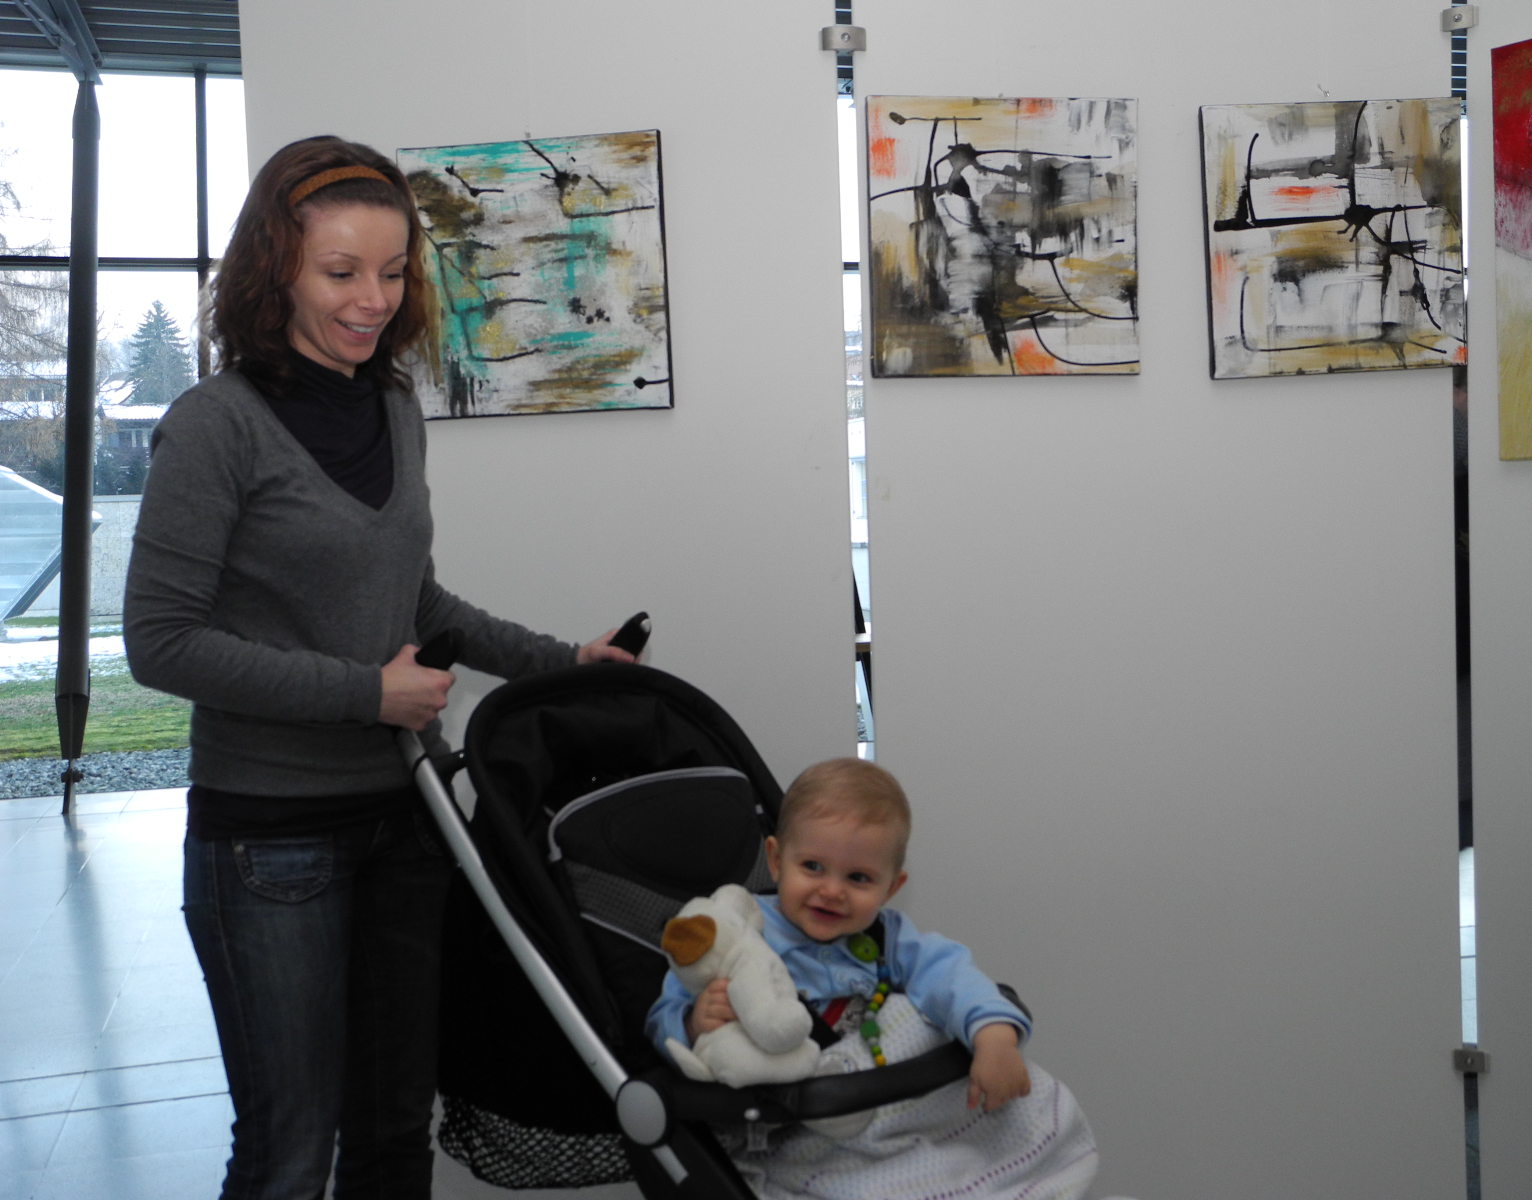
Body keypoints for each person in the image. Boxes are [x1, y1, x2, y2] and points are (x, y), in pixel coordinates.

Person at [124, 134, 637, 1200]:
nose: (372, 300)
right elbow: (160, 642)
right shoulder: (214, 427)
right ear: (274, 271)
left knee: (396, 1135)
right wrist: (367, 694)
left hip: (409, 824)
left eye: (393, 272)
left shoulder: (393, 406)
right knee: (289, 1153)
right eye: (341, 272)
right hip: (270, 843)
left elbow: (419, 606)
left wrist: (565, 664)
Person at [645, 758, 1110, 1200]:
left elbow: (951, 976)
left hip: (885, 1110)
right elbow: (662, 1013)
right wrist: (692, 1023)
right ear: (776, 859)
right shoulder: (738, 932)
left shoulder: (889, 938)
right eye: (812, 867)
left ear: (891, 888)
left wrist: (993, 1036)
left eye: (859, 878)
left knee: (999, 1106)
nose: (832, 890)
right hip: (792, 1128)